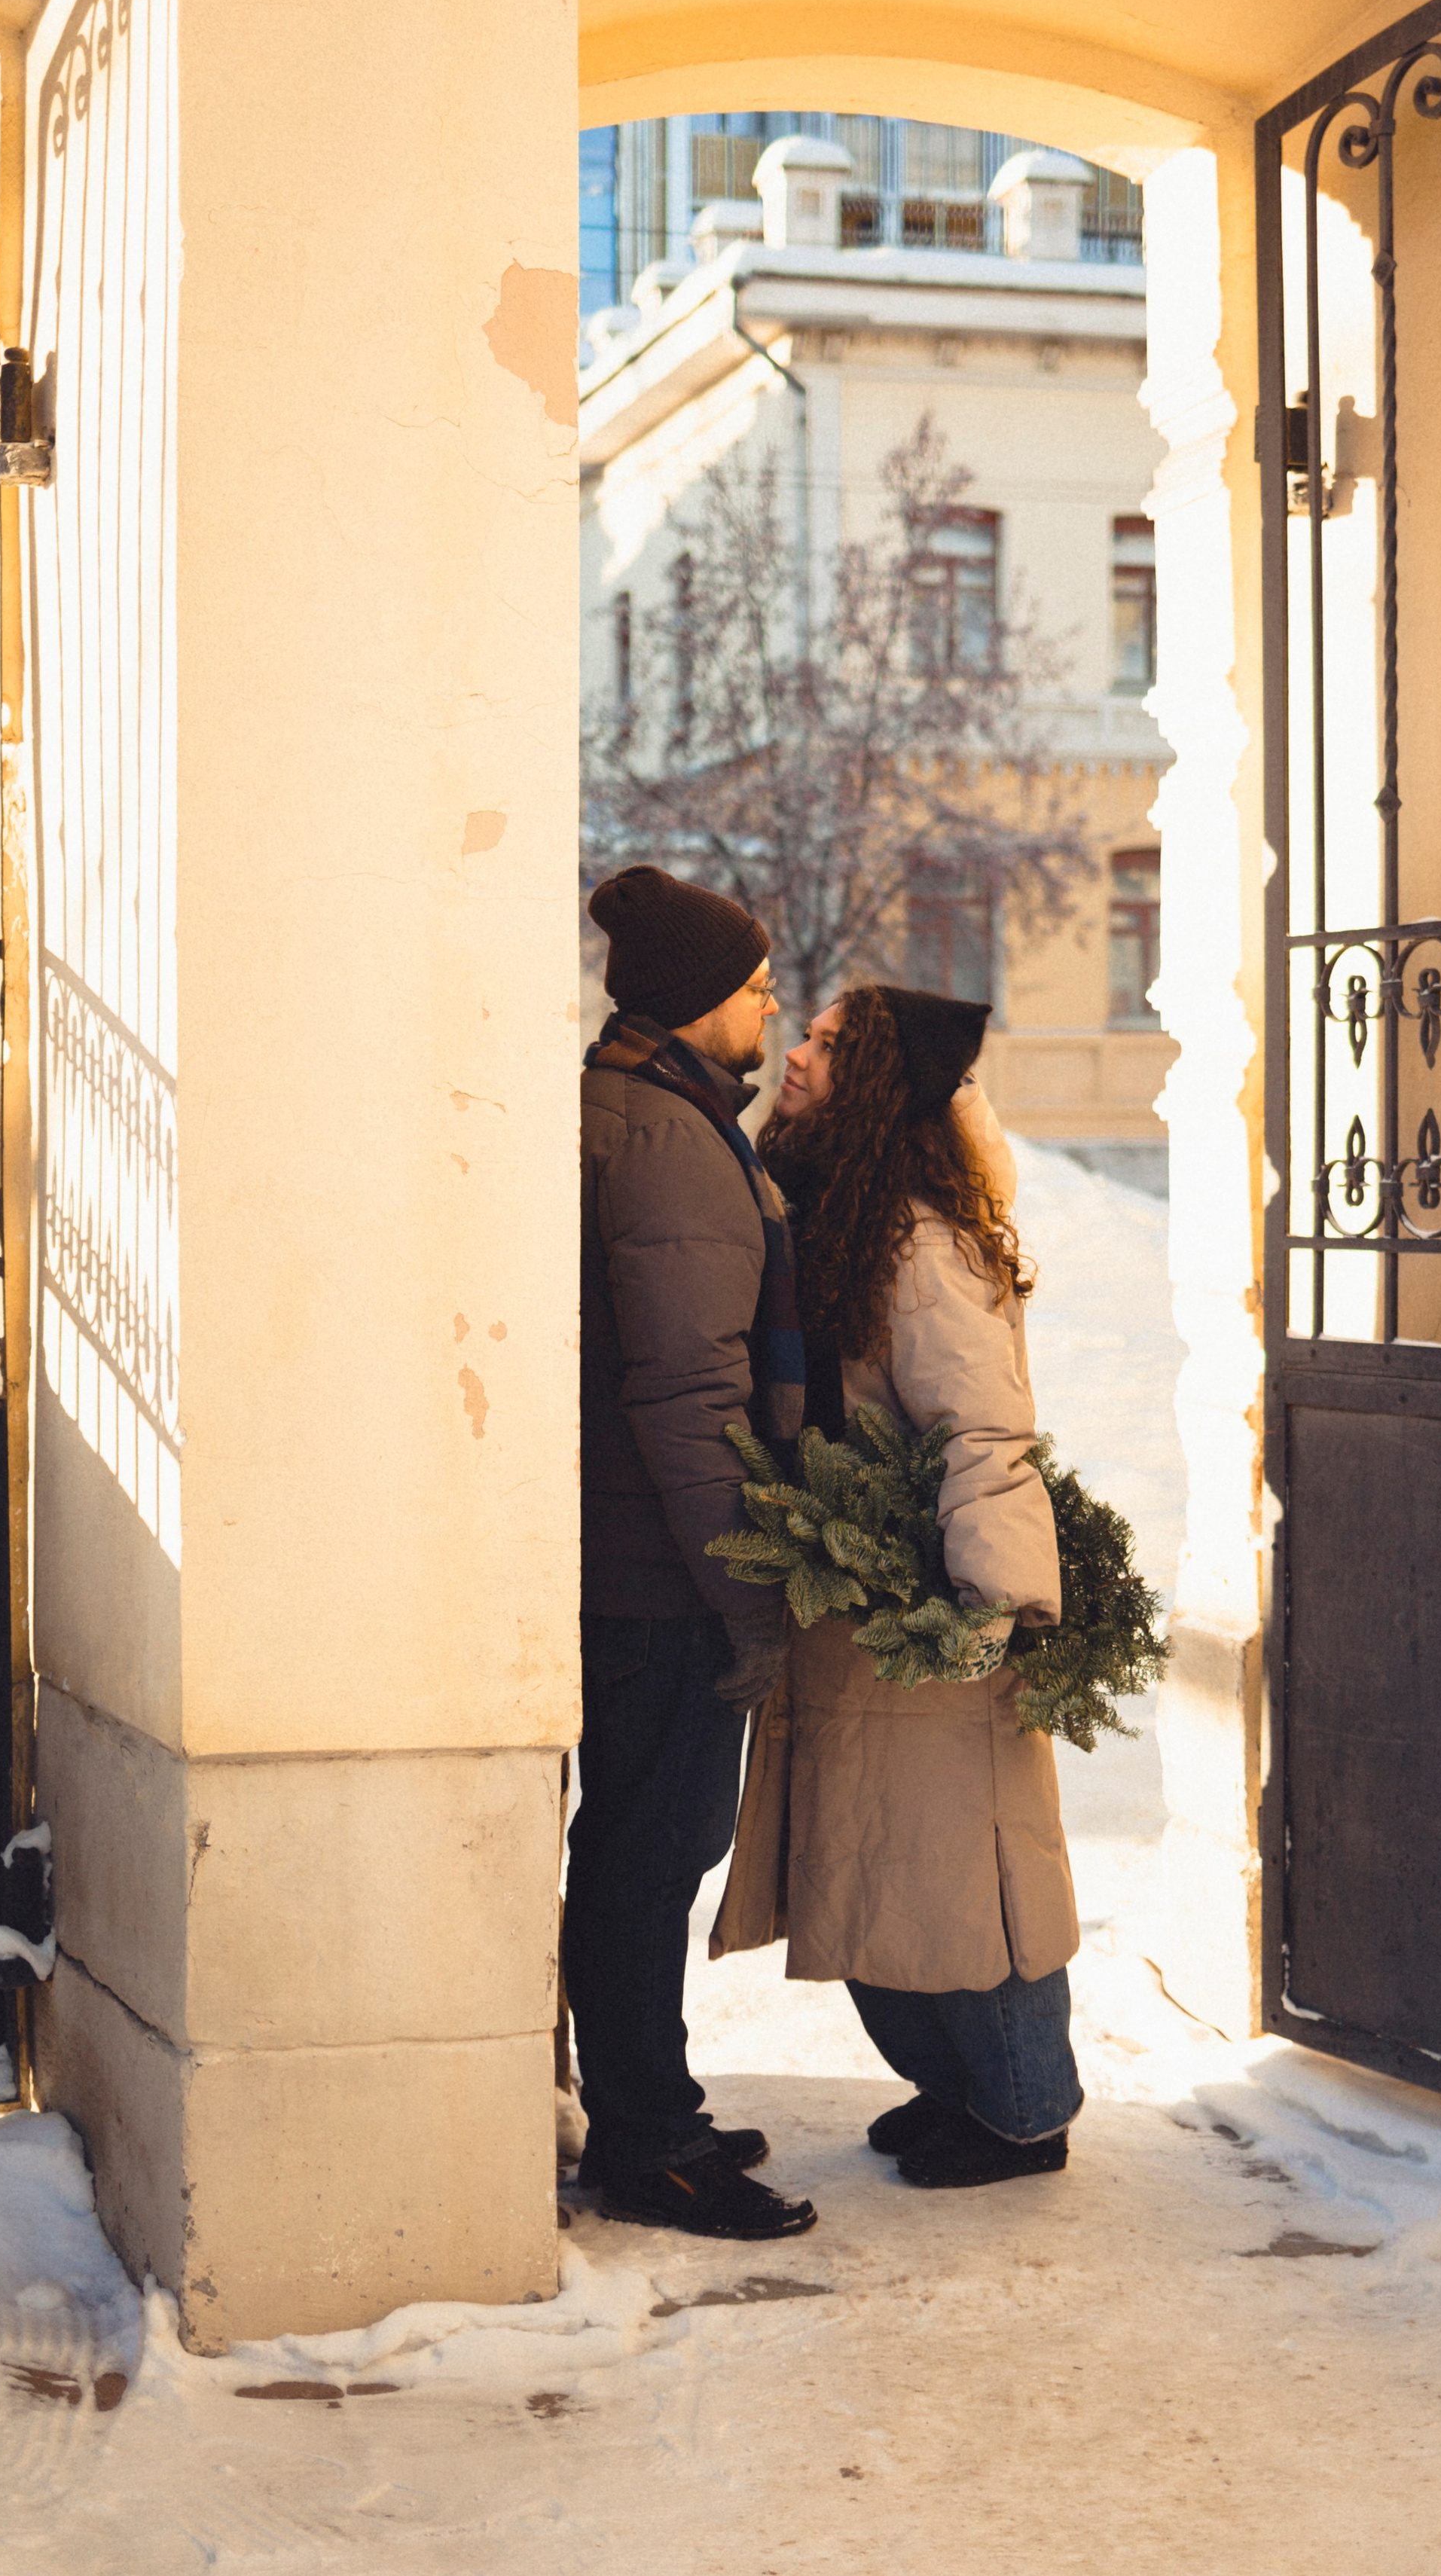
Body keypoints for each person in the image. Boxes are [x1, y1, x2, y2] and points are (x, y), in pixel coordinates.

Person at [713, 981, 1083, 2187]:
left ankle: (1024, 2114)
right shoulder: (839, 1214)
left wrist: (995, 1604)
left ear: (877, 1087)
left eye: (829, 1045)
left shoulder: (916, 1245)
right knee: (886, 1866)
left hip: (934, 1610)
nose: (799, 1054)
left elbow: (981, 1426)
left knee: (969, 1867)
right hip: (859, 1607)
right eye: (808, 1033)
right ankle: (959, 2090)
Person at [573, 864, 817, 2239]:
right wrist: (745, 1592)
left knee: (639, 1847)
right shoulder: (669, 1136)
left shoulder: (640, 1105)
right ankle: (649, 2142)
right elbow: (689, 1392)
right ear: (691, 999)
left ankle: (648, 2107)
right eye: (754, 985)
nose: (770, 1005)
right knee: (651, 1851)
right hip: (657, 1565)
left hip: (635, 1549)